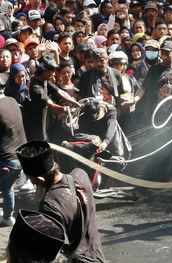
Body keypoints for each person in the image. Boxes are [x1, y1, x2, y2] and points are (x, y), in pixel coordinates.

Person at [16, 141, 106, 262]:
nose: (33, 183)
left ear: (40, 178)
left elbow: (51, 251)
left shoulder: (50, 205)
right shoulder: (81, 174)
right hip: (96, 255)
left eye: (32, 179)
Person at [0, 90, 27, 226]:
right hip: (20, 157)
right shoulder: (12, 100)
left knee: (5, 185)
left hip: (6, 159)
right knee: (7, 186)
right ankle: (8, 217)